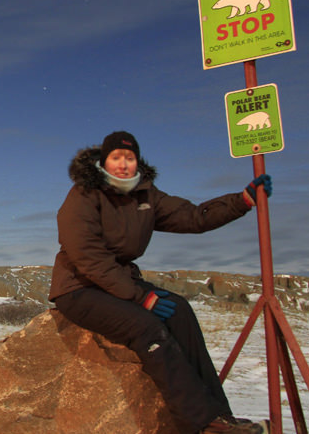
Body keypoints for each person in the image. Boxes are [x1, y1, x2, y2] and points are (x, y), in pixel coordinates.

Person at [49, 130, 272, 434]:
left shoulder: (146, 195)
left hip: (117, 282)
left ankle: (221, 417)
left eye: (130, 158)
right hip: (79, 288)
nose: (123, 164)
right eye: (116, 157)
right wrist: (140, 297)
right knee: (147, 326)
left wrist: (241, 201)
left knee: (180, 311)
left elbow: (193, 217)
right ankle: (201, 423)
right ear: (104, 161)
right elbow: (86, 256)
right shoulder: (84, 194)